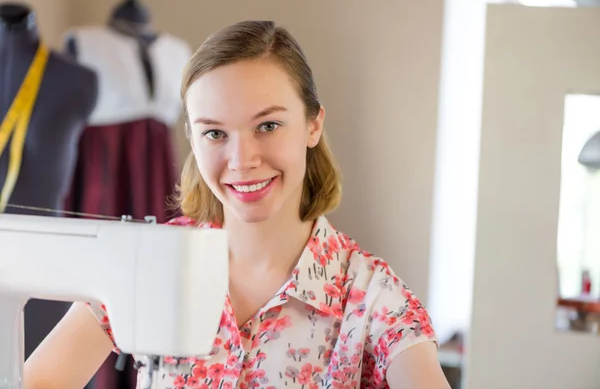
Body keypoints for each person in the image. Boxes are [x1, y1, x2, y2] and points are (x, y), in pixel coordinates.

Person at [24, 20, 450, 389]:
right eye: (215, 133)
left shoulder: (372, 297)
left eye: (267, 125)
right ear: (192, 137)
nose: (242, 160)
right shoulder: (150, 262)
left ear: (313, 125)